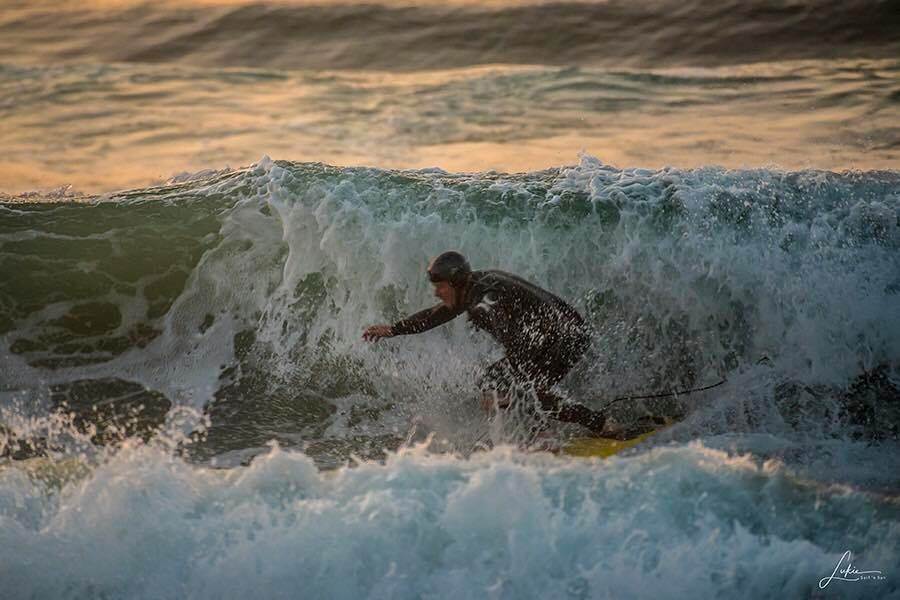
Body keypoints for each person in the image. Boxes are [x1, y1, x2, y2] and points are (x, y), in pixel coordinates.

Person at [362, 251, 607, 434]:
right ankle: (544, 430)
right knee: (505, 386)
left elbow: (509, 332)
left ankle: (591, 426)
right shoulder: (475, 284)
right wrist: (394, 329)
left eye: (440, 287)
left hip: (564, 338)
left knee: (504, 387)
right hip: (568, 332)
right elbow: (437, 314)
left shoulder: (483, 303)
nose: (436, 293)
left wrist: (517, 381)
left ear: (455, 283)